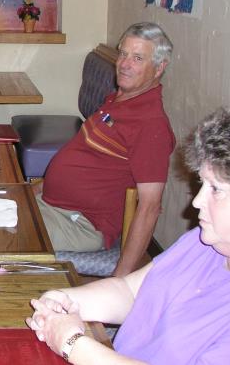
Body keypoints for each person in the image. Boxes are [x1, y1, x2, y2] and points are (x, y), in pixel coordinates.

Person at [27, 104, 230, 364]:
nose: (197, 201)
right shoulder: (214, 242)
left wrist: (73, 343)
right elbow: (132, 292)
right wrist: (64, 300)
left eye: (216, 190)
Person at [36, 22, 176, 276]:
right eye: (123, 54)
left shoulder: (150, 125)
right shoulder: (120, 99)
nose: (124, 64)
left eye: (137, 58)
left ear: (159, 68)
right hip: (52, 206)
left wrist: (119, 281)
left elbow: (150, 207)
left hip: (80, 225)